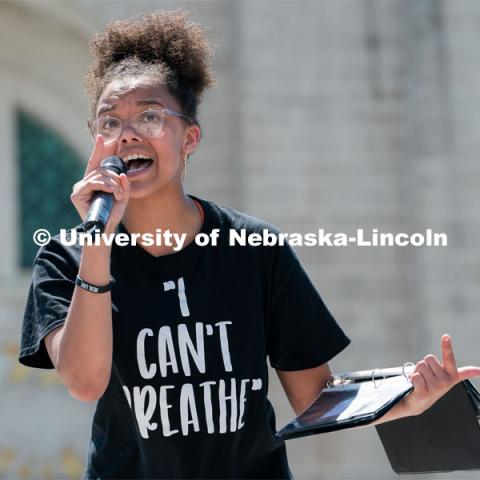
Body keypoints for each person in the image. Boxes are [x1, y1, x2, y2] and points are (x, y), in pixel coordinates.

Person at [18, 9, 480, 480]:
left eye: (150, 116)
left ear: (189, 138)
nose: (127, 132)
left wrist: (408, 397)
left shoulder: (253, 246)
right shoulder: (67, 257)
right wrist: (99, 240)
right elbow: (85, 381)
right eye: (109, 123)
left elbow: (314, 395)